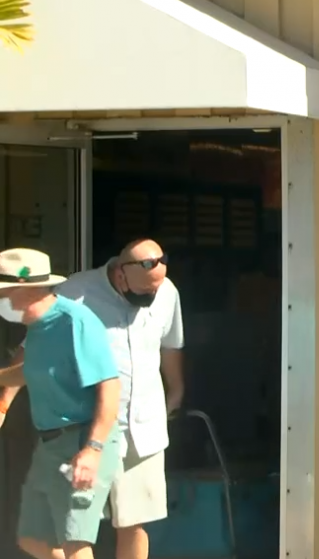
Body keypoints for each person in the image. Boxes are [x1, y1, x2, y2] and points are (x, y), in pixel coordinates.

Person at [0, 239, 185, 559]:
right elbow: (33, 358)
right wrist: (4, 399)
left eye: (155, 289)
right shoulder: (75, 295)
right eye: (143, 289)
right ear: (121, 273)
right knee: (52, 535)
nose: (150, 295)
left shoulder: (164, 292)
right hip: (79, 429)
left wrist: (177, 390)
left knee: (124, 525)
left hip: (135, 429)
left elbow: (169, 345)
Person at [0, 248, 122, 559]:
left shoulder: (75, 322)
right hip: (49, 446)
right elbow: (30, 371)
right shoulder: (37, 327)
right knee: (32, 539)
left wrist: (92, 450)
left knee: (75, 542)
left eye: (4, 292)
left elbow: (110, 387)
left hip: (82, 442)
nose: (2, 300)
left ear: (28, 290)